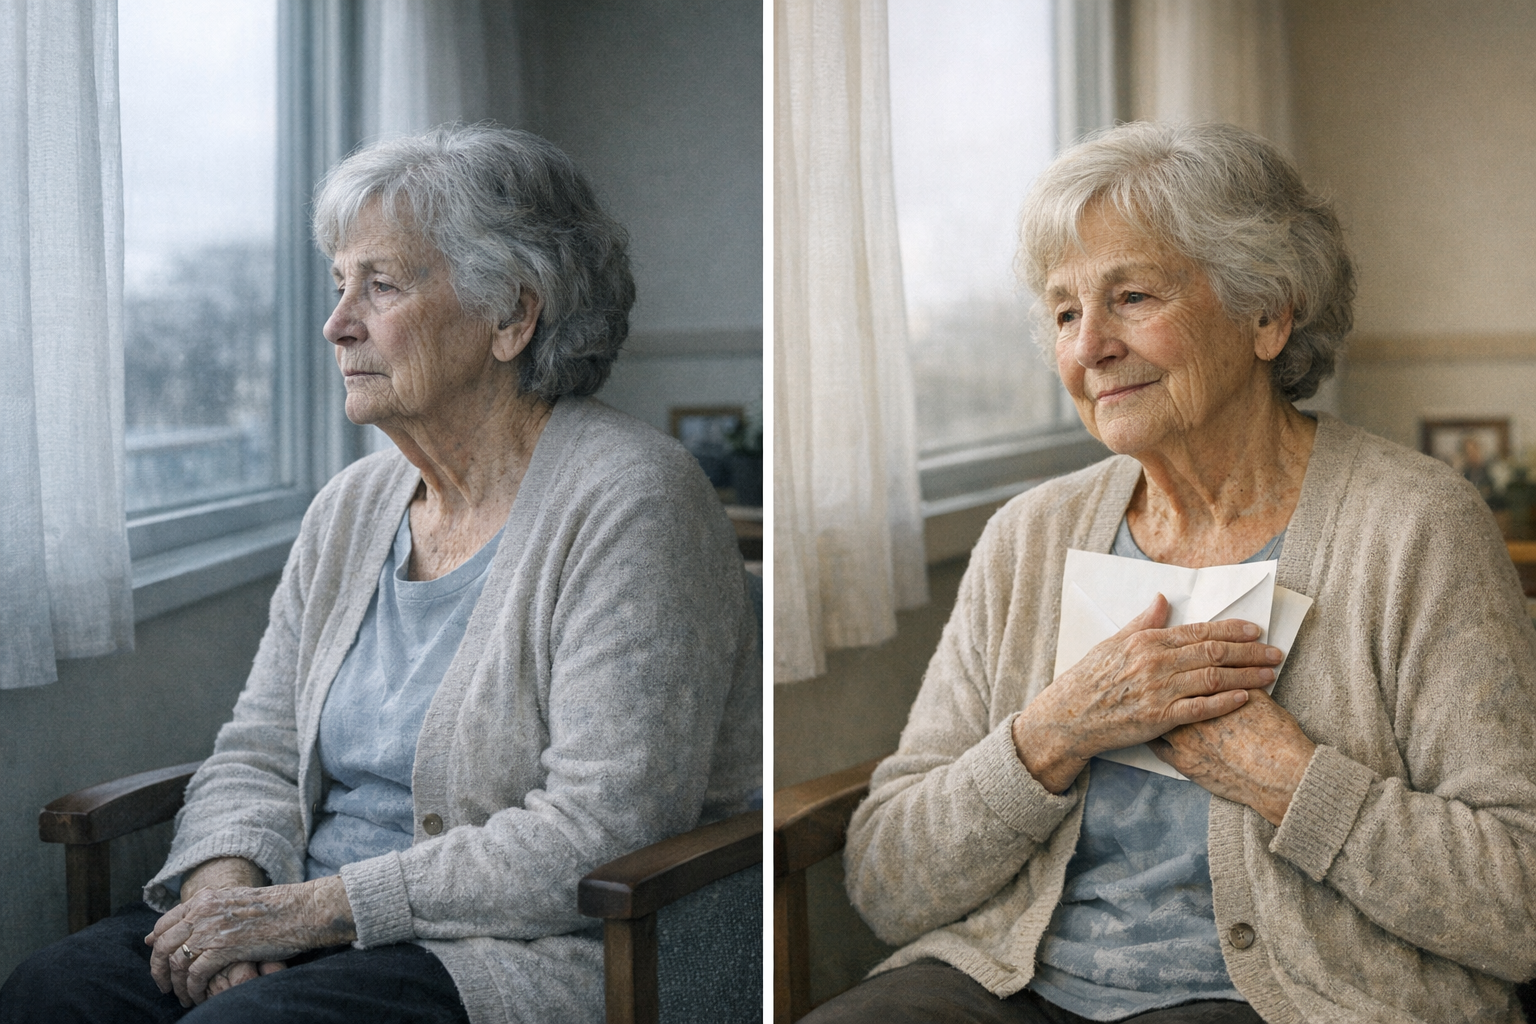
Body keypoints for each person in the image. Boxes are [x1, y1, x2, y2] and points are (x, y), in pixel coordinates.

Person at [0, 124, 760, 1024]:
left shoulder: (636, 500)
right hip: (306, 919)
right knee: (53, 994)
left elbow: (597, 832)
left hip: (519, 949)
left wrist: (309, 914)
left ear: (512, 315)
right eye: (337, 285)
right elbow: (261, 749)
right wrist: (224, 896)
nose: (337, 323)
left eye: (381, 285)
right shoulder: (352, 504)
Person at [806, 122, 1536, 1023]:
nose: (1089, 348)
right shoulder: (1028, 536)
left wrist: (1293, 781)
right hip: (1007, 982)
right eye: (1066, 312)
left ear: (1268, 313)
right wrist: (1050, 736)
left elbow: (1521, 901)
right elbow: (886, 882)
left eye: (1132, 296)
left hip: (1288, 998)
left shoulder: (1415, 527)